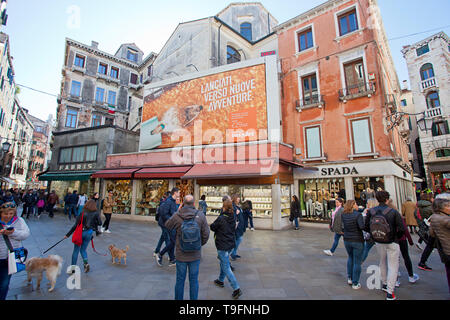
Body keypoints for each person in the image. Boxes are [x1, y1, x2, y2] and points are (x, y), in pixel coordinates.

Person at [165, 195, 209, 300]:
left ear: (183, 203)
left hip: (181, 254)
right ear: (194, 204)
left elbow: (167, 225)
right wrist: (198, 245)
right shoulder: (201, 215)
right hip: (195, 254)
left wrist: (177, 212)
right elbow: (206, 234)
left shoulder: (177, 216)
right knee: (194, 281)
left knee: (180, 280)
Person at [364, 190, 405, 300]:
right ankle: (390, 291)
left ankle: (385, 283)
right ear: (387, 199)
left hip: (378, 240)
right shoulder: (393, 212)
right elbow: (402, 228)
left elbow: (366, 226)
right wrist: (396, 236)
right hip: (392, 241)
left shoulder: (371, 211)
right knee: (393, 265)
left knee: (382, 261)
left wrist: (374, 234)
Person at [210, 198, 242, 299]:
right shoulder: (232, 217)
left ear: (224, 207)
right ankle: (220, 280)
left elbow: (212, 227)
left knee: (226, 266)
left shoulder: (221, 218)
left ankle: (236, 288)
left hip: (222, 245)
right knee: (224, 262)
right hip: (230, 244)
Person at [0, 202, 30, 300]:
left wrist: (13, 232)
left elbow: (26, 234)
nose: (8, 216)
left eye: (11, 214)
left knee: (4, 283)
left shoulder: (19, 221)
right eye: (5, 214)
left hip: (9, 257)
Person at [64, 199, 101, 273]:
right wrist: (94, 223)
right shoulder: (96, 213)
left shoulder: (83, 212)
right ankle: (86, 263)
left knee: (76, 250)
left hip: (81, 232)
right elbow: (100, 223)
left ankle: (73, 269)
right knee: (83, 249)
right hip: (89, 232)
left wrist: (68, 234)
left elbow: (76, 225)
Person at [428, 195, 450, 294]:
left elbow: (432, 233)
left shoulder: (434, 217)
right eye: (448, 206)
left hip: (444, 250)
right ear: (441, 208)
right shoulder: (445, 219)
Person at [341, 199, 365, 289]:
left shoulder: (344, 214)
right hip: (357, 239)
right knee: (357, 261)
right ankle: (355, 283)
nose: (357, 205)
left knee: (350, 257)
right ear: (353, 205)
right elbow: (361, 226)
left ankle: (350, 278)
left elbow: (343, 226)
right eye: (356, 204)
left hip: (347, 239)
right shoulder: (357, 215)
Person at [156, 187, 180, 266]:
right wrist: (171, 220)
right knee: (172, 241)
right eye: (178, 192)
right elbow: (164, 214)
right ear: (175, 193)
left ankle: (171, 259)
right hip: (167, 224)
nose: (179, 194)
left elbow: (173, 212)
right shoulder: (169, 202)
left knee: (172, 241)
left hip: (170, 224)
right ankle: (161, 254)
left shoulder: (173, 201)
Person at [153, 191, 171, 257]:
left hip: (163, 223)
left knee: (163, 237)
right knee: (167, 239)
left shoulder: (164, 202)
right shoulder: (164, 203)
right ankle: (170, 255)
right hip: (164, 223)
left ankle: (156, 251)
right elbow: (164, 214)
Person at [361, 198, 379, 263]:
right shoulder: (378, 211)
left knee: (366, 248)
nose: (366, 204)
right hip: (379, 233)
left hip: (370, 234)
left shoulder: (368, 212)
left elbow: (363, 223)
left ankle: (360, 261)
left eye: (367, 203)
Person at [230, 194, 245, 261]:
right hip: (237, 227)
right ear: (235, 199)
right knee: (238, 239)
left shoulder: (236, 206)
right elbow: (233, 216)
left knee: (238, 239)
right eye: (238, 199)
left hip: (239, 227)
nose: (239, 200)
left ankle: (234, 253)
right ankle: (232, 253)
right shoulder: (233, 206)